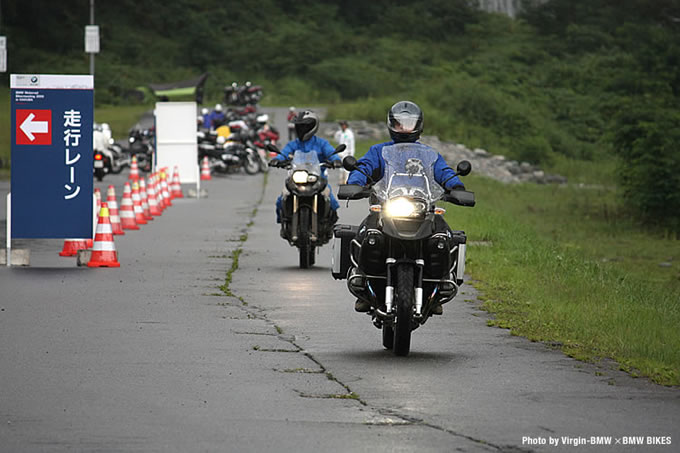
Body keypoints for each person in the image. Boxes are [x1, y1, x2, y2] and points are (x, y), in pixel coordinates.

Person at [346, 100, 465, 314]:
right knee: (366, 233)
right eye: (400, 123)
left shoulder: (429, 154)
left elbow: (443, 171)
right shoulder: (378, 151)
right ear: (391, 124)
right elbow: (364, 167)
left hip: (422, 209)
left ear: (418, 125)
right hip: (386, 207)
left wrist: (455, 185)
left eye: (409, 123)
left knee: (442, 236)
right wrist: (355, 182)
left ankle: (440, 283)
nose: (404, 128)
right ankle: (363, 280)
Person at [269, 110, 343, 231]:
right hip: (296, 177)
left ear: (312, 127)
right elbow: (284, 153)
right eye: (299, 126)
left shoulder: (321, 143)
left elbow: (331, 153)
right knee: (281, 198)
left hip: (318, 178)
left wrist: (336, 160)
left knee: (331, 199)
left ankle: (329, 224)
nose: (300, 129)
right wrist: (277, 159)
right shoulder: (294, 144)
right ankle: (284, 223)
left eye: (304, 126)